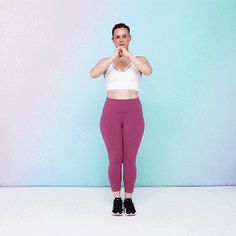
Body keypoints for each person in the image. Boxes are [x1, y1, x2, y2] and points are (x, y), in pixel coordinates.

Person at [90, 23, 152, 216]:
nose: (121, 39)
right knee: (115, 158)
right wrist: (113, 57)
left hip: (133, 112)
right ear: (113, 40)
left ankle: (129, 198)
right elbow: (93, 73)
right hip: (111, 113)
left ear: (130, 38)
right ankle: (117, 198)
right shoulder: (106, 62)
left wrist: (128, 55)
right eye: (117, 37)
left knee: (130, 158)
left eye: (124, 36)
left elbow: (148, 71)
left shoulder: (138, 60)